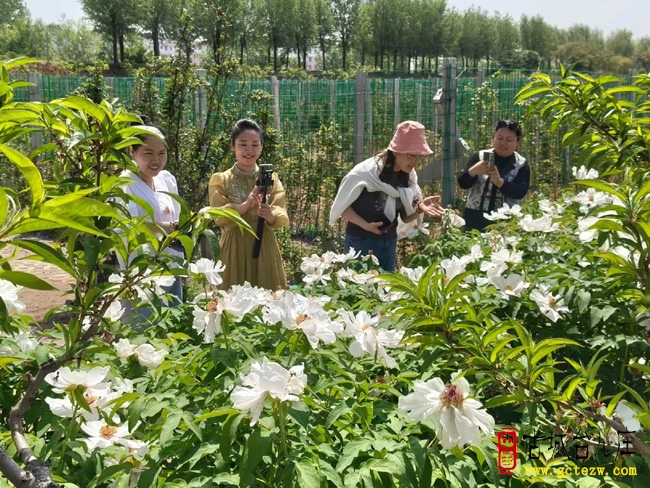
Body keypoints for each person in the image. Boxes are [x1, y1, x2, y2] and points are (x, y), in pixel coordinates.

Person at [329, 120, 444, 272]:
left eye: (419, 156)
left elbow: (405, 218)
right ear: (396, 151)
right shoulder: (366, 173)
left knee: (385, 291)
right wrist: (365, 225)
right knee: (358, 290)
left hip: (388, 243)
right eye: (411, 155)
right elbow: (343, 207)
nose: (415, 161)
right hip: (360, 241)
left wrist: (419, 208)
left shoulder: (408, 177)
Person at [208, 119, 289, 290]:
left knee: (267, 301)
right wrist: (247, 204)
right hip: (234, 246)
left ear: (261, 147)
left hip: (264, 245)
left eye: (255, 144)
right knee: (232, 304)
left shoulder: (271, 179)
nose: (249, 150)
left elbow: (281, 212)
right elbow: (219, 217)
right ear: (232, 146)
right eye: (243, 144)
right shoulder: (220, 179)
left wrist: (271, 216)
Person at [119, 125, 184, 305]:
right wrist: (162, 228)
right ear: (133, 152)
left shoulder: (165, 180)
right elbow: (124, 227)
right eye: (148, 153)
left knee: (172, 323)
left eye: (162, 153)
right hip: (142, 271)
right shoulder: (125, 185)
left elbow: (178, 215)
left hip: (171, 265)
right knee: (143, 323)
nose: (156, 160)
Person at [457, 119, 530, 232]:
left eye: (509, 140)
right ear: (494, 138)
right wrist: (473, 171)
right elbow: (463, 183)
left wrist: (499, 182)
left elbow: (520, 192)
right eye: (499, 138)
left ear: (517, 142)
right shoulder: (480, 157)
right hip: (474, 216)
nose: (503, 143)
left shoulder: (521, 163)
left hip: (505, 221)